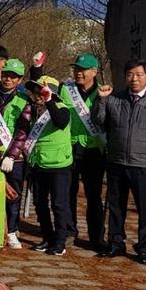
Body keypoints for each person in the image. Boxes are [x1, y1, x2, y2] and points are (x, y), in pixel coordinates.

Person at [91, 59, 146, 265]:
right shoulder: (114, 99)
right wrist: (101, 100)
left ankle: (143, 248)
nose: (134, 79)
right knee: (116, 207)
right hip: (116, 162)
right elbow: (98, 122)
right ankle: (116, 243)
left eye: (138, 74)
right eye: (130, 75)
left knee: (145, 209)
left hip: (144, 165)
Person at [10, 76, 73, 256]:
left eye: (42, 91)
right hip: (38, 163)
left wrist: (49, 101)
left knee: (59, 204)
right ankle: (47, 237)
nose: (37, 95)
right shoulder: (34, 111)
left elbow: (60, 122)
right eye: (35, 91)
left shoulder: (61, 108)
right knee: (40, 203)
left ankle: (60, 242)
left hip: (58, 165)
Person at [61, 53, 107, 251]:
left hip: (93, 150)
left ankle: (96, 237)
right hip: (69, 148)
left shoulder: (104, 92)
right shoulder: (66, 90)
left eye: (83, 70)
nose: (78, 73)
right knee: (67, 193)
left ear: (94, 72)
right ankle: (69, 232)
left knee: (94, 196)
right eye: (76, 69)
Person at [0, 59, 30, 248]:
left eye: (14, 77)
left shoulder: (24, 100)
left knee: (13, 195)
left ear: (20, 80)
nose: (8, 79)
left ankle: (11, 231)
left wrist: (11, 155)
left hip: (13, 159)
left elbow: (23, 131)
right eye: (6, 75)